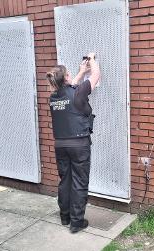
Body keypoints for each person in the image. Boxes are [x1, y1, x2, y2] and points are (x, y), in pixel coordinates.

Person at [46, 53, 100, 233]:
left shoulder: (53, 98)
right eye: (69, 74)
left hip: (60, 145)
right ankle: (76, 222)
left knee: (65, 180)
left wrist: (80, 71)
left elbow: (69, 89)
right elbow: (96, 76)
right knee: (79, 182)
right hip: (79, 145)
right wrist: (92, 59)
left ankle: (65, 216)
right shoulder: (78, 92)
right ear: (66, 78)